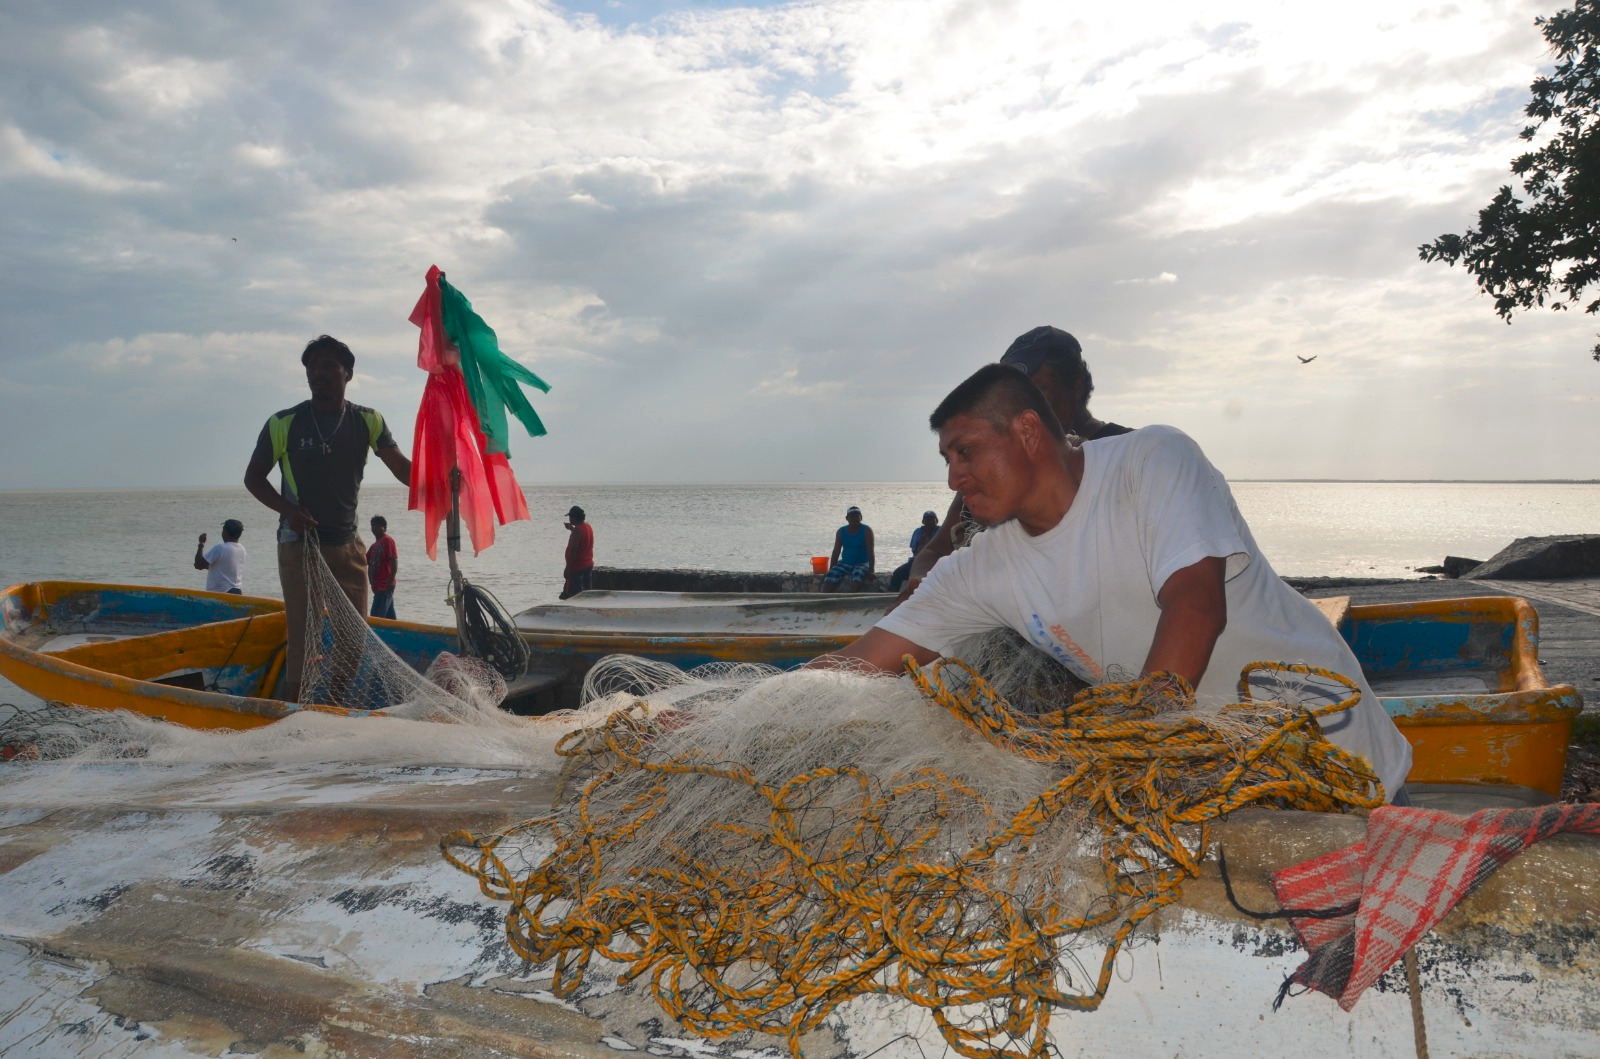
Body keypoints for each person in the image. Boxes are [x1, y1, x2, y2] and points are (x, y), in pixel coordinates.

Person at [812, 364, 1412, 802]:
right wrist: (739, 707)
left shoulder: (1151, 462)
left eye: (965, 451)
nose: (953, 478)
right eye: (945, 459)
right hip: (1226, 784)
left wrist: (1128, 755)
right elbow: (865, 662)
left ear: (1026, 432)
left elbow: (1196, 608)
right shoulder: (980, 568)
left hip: (1339, 754)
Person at [898, 326, 1131, 607]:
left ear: (1076, 384)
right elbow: (936, 549)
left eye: (1038, 390)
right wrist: (921, 582)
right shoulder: (994, 472)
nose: (1024, 404)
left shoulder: (1128, 452)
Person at [243, 335, 412, 701]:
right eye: (311, 367)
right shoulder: (283, 422)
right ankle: (295, 712)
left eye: (327, 366)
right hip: (299, 546)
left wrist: (442, 477)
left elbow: (402, 468)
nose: (317, 373)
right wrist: (288, 510)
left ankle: (330, 703)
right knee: (304, 640)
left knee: (354, 640)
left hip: (347, 545)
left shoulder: (368, 420)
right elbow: (253, 477)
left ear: (347, 373)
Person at [823, 506, 875, 592]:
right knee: (831, 575)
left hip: (862, 563)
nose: (854, 518)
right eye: (852, 516)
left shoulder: (867, 530)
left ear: (861, 517)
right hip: (845, 563)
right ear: (847, 518)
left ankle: (851, 599)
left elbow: (870, 551)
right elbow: (836, 552)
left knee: (858, 575)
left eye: (857, 516)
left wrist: (871, 570)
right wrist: (831, 568)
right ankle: (824, 600)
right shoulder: (841, 531)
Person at [889, 510, 940, 590]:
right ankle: (891, 594)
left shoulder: (940, 531)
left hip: (935, 562)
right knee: (898, 573)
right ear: (923, 521)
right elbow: (914, 549)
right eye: (927, 519)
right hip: (917, 561)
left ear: (936, 521)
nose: (929, 522)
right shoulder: (918, 532)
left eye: (931, 519)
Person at [194, 519, 246, 594]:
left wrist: (201, 543)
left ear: (226, 532)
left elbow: (198, 565)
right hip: (237, 591)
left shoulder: (220, 548)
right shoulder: (242, 549)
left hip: (221, 592)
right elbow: (224, 568)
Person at [367, 515, 398, 619]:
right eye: (372, 526)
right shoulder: (374, 546)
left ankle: (375, 635)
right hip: (377, 586)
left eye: (377, 526)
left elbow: (393, 560)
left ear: (384, 527)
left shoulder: (387, 541)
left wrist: (391, 579)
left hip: (385, 585)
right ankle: (396, 634)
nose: (373, 528)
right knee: (390, 618)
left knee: (376, 616)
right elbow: (364, 561)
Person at [560, 506, 595, 600]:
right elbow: (582, 539)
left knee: (575, 597)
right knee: (587, 594)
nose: (569, 519)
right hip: (588, 564)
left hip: (577, 568)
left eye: (570, 517)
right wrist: (572, 529)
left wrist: (568, 568)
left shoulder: (577, 531)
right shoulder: (587, 526)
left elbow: (573, 551)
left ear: (574, 518)